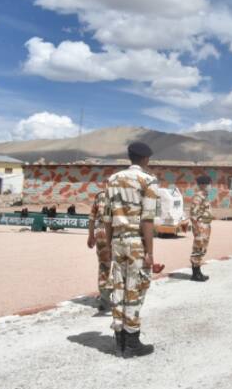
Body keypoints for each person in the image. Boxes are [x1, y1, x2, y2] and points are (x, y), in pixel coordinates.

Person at [103, 142, 159, 358]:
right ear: (146, 159)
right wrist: (150, 251)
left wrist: (107, 246)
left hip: (117, 241)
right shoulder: (148, 180)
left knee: (118, 288)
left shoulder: (112, 180)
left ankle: (120, 341)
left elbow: (107, 218)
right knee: (135, 290)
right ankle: (132, 342)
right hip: (136, 242)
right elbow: (147, 219)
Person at [87, 189, 111, 310]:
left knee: (103, 267)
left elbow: (92, 218)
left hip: (101, 233)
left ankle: (105, 299)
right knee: (119, 265)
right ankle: (116, 292)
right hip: (116, 233)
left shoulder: (100, 196)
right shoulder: (121, 194)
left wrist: (91, 236)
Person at [189, 175, 214, 282]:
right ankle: (195, 273)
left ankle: (198, 272)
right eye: (209, 184)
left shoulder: (204, 196)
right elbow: (193, 214)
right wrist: (198, 230)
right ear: (203, 185)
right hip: (201, 227)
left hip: (206, 226)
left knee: (202, 249)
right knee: (198, 248)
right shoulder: (198, 197)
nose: (210, 186)